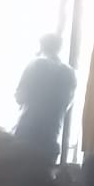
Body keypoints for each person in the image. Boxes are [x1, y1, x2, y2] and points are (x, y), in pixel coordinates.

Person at [15, 34, 78, 166]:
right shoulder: (70, 73)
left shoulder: (36, 64)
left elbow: (20, 96)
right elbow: (68, 104)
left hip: (27, 133)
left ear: (41, 46)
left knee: (18, 173)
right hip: (51, 138)